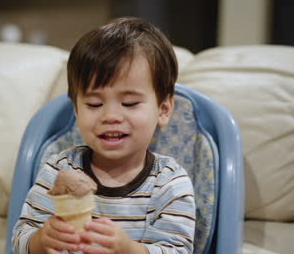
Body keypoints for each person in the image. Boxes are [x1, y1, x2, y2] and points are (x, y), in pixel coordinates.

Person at [12, 17, 196, 254]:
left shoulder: (169, 184)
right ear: (76, 110)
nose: (110, 116)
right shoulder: (58, 170)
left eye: (129, 103)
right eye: (94, 104)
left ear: (163, 110)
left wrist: (129, 250)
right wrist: (40, 241)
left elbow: (178, 251)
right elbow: (19, 239)